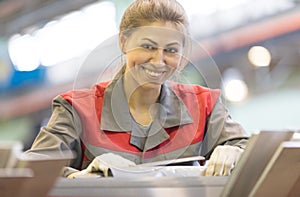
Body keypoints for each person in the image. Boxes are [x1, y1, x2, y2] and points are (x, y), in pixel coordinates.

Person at [26, 0, 248, 177]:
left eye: (171, 50)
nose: (158, 60)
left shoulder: (205, 105)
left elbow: (249, 150)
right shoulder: (76, 109)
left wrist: (235, 151)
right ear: (123, 42)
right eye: (148, 46)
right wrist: (78, 177)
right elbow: (33, 171)